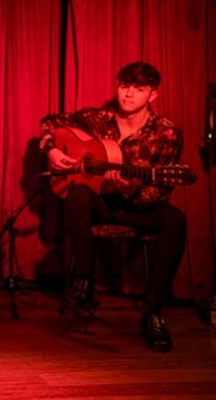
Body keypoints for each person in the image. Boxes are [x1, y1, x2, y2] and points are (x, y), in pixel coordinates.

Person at [39, 61, 187, 352]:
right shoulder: (96, 118)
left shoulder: (166, 134)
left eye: (138, 89)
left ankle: (153, 313)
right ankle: (84, 281)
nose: (128, 94)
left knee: (175, 220)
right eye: (124, 86)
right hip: (100, 204)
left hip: (137, 207)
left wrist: (128, 187)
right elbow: (49, 122)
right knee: (79, 192)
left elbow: (160, 190)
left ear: (152, 95)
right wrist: (52, 150)